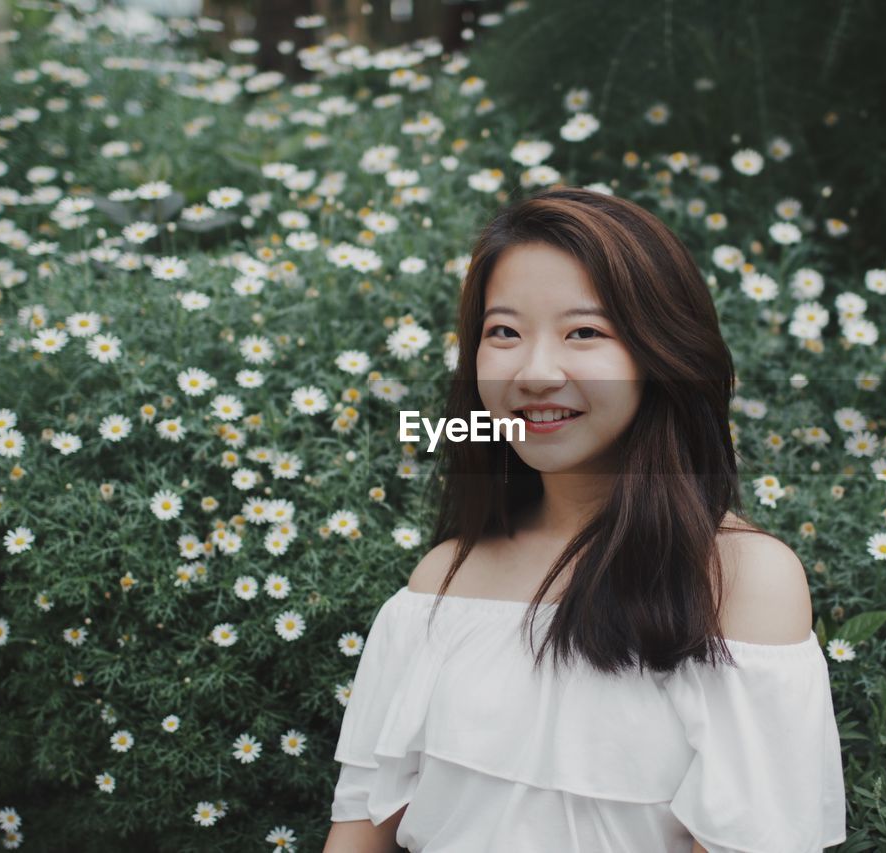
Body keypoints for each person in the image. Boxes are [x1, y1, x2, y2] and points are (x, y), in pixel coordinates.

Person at [322, 187, 847, 852]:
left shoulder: (742, 581)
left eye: (585, 333)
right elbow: (356, 838)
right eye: (504, 332)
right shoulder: (440, 583)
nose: (536, 372)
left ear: (661, 355)